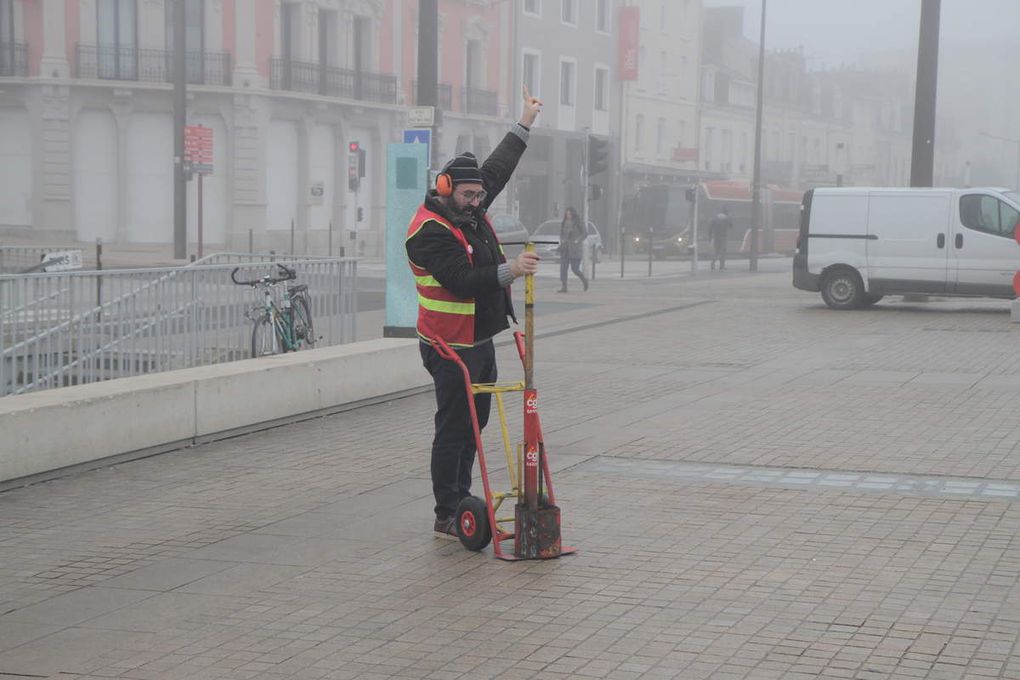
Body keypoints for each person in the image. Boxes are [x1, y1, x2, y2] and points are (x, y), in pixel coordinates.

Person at [406, 85, 543, 540]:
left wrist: (524, 122)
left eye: (479, 195)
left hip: (479, 339)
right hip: (447, 342)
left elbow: (498, 169)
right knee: (454, 424)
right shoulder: (428, 232)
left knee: (476, 422)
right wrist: (511, 271)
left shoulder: (471, 204)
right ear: (446, 189)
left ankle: (463, 494)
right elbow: (461, 280)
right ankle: (449, 509)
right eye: (468, 195)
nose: (477, 202)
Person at [557, 207, 589, 292]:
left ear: (573, 214)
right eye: (567, 214)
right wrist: (562, 239)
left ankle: (584, 280)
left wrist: (578, 240)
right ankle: (564, 286)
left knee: (575, 269)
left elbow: (585, 233)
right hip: (565, 248)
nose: (568, 216)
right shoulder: (564, 223)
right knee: (563, 268)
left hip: (575, 248)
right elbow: (561, 233)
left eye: (570, 214)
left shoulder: (578, 222)